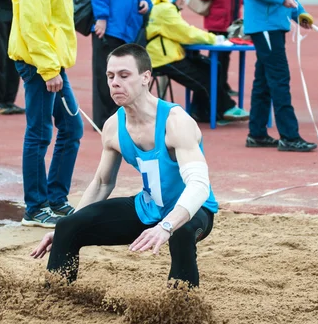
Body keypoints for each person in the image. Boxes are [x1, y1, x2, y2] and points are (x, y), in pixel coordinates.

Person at [30, 44, 217, 288]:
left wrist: (166, 226)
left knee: (181, 233)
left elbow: (200, 186)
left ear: (146, 78)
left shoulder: (176, 122)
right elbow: (102, 183)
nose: (115, 82)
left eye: (124, 75)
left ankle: (182, 307)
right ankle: (56, 296)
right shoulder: (112, 127)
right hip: (148, 208)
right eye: (110, 76)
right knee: (66, 225)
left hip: (192, 210)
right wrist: (67, 229)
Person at [8, 0, 83, 227]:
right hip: (38, 62)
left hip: (51, 61)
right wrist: (49, 68)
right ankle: (36, 207)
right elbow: (33, 20)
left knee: (72, 128)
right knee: (39, 134)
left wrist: (55, 64)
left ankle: (55, 199)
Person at [240, 0, 317, 152]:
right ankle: (289, 136)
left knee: (264, 81)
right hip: (264, 24)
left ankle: (256, 133)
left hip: (275, 23)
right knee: (279, 77)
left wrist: (299, 13)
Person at [146, 0, 248, 124]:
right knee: (204, 79)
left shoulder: (166, 7)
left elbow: (182, 31)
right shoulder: (165, 9)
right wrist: (214, 39)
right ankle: (224, 108)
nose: (184, 1)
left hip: (169, 54)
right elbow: (186, 33)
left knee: (212, 67)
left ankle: (202, 111)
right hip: (163, 59)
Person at [89, 0, 152, 130]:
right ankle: (103, 122)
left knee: (124, 77)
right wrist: (101, 18)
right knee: (106, 76)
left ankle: (119, 120)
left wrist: (147, 3)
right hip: (110, 31)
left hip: (128, 33)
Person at [194, 0, 242, 96]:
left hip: (232, 22)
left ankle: (222, 86)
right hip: (216, 22)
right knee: (217, 57)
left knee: (226, 56)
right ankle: (215, 87)